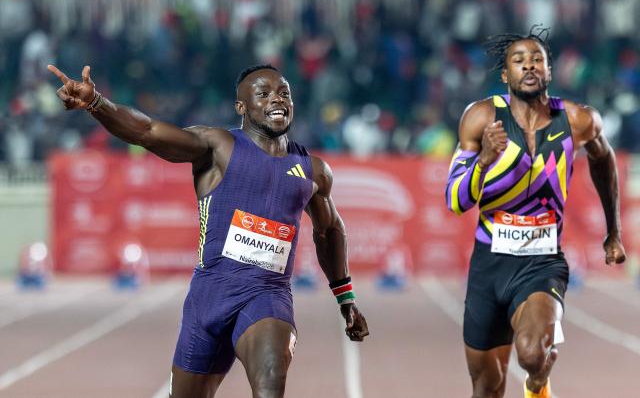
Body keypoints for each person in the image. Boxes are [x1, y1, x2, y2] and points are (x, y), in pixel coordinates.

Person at [48, 63, 369, 398]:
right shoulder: (218, 146)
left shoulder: (312, 170)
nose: (277, 99)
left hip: (267, 295)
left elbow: (329, 230)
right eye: (264, 93)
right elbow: (146, 131)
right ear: (241, 107)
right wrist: (96, 103)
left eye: (284, 93)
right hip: (207, 298)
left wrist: (346, 299)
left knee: (271, 381)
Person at [445, 26, 626, 398]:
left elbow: (604, 160)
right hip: (489, 265)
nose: (529, 66)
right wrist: (484, 161)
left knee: (531, 353)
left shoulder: (577, 120)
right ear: (505, 74)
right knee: (486, 388)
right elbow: (455, 200)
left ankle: (538, 382)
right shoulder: (481, 118)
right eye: (518, 60)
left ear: (549, 70)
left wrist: (614, 231)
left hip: (542, 262)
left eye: (537, 59)